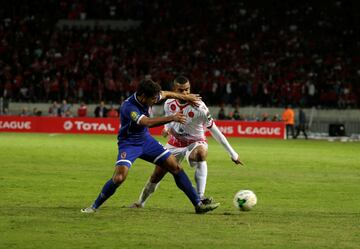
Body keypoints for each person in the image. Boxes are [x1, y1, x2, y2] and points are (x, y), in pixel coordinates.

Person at [81, 79, 219, 214]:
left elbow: (166, 94)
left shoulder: (150, 95)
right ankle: (93, 206)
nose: (155, 101)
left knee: (175, 167)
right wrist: (172, 117)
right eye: (153, 99)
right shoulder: (129, 107)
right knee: (119, 178)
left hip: (146, 141)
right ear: (142, 96)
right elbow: (147, 122)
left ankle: (198, 204)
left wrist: (184, 96)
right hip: (129, 144)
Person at [130, 76, 243, 209]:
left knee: (201, 153)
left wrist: (233, 153)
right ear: (174, 90)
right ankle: (140, 203)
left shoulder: (199, 107)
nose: (185, 93)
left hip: (195, 142)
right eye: (181, 90)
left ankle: (200, 197)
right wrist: (167, 128)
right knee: (157, 175)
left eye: (187, 90)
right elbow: (171, 121)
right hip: (174, 143)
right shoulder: (169, 103)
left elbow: (215, 131)